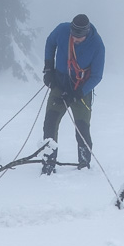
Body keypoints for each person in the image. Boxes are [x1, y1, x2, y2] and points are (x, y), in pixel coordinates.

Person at [41, 14, 105, 174]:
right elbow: (50, 42)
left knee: (82, 128)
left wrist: (78, 93)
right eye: (73, 36)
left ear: (87, 32)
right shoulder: (62, 30)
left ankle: (84, 165)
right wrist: (49, 68)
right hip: (59, 83)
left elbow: (97, 76)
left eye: (79, 37)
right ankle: (48, 163)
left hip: (82, 88)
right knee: (50, 122)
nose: (75, 40)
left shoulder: (97, 45)